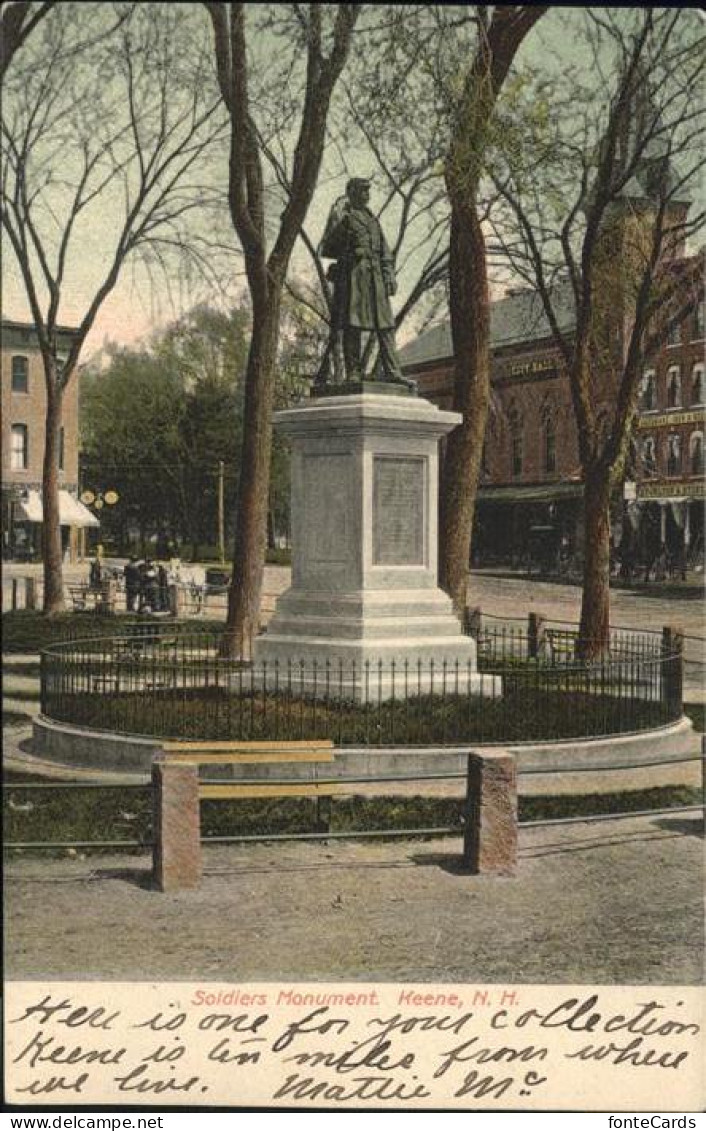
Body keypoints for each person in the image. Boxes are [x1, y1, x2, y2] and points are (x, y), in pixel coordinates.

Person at [316, 177, 415, 390]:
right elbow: (327, 249)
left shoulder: (373, 221)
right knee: (353, 324)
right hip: (355, 278)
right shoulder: (345, 218)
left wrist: (389, 276)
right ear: (351, 194)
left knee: (386, 325)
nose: (366, 195)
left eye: (367, 191)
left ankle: (393, 372)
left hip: (376, 279)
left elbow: (385, 252)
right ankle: (353, 372)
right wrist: (346, 246)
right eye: (362, 191)